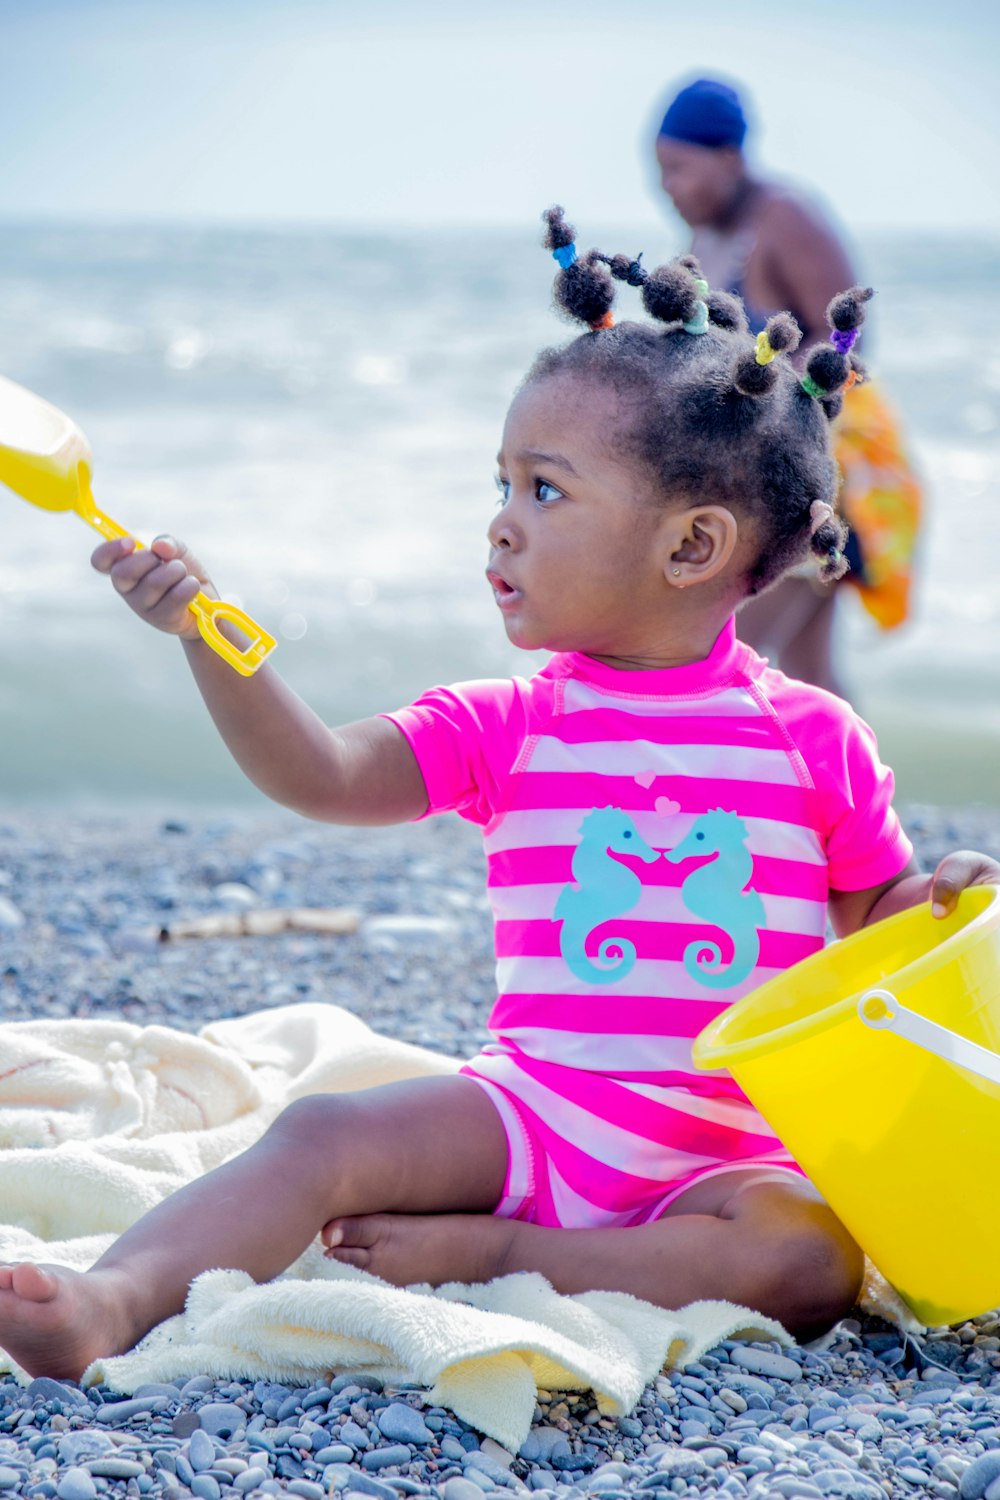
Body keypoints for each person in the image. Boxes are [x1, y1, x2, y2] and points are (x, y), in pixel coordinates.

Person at [1, 209, 996, 1383]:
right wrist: (212, 644)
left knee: (813, 1263)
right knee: (325, 1134)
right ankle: (112, 1299)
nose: (501, 520)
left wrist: (934, 900)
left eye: (547, 491)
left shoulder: (813, 738)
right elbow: (323, 775)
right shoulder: (514, 722)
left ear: (690, 548)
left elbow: (865, 920)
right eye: (502, 481)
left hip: (725, 1150)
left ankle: (510, 1256)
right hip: (532, 1113)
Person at [655, 77, 923, 698]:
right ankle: (856, 796)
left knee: (717, 655)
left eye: (679, 167)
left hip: (822, 476)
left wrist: (764, 395)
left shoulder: (785, 218)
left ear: (730, 157)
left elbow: (849, 346)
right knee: (812, 678)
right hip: (762, 472)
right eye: (660, 171)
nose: (668, 186)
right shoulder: (706, 236)